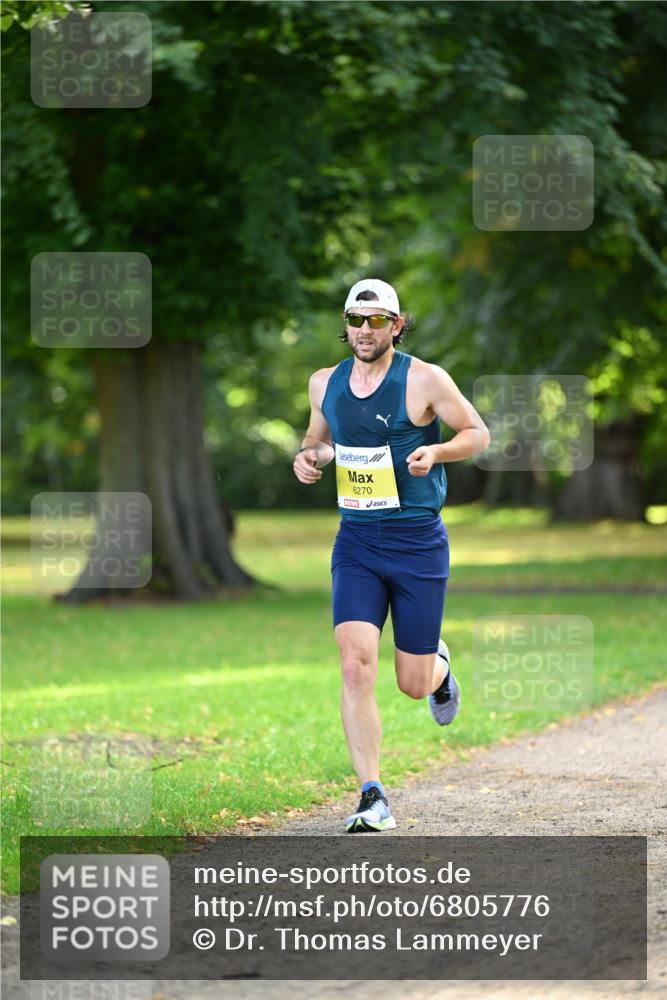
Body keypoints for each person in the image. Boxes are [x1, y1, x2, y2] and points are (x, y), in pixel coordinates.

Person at [293, 278, 491, 833]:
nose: (364, 330)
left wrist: (440, 449)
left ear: (396, 325)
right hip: (355, 540)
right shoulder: (323, 383)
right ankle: (372, 794)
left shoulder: (425, 378)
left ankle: (439, 668)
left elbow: (477, 432)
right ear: (346, 323)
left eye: (377, 321)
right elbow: (320, 439)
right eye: (356, 319)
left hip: (416, 541)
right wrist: (310, 459)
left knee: (411, 682)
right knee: (355, 664)